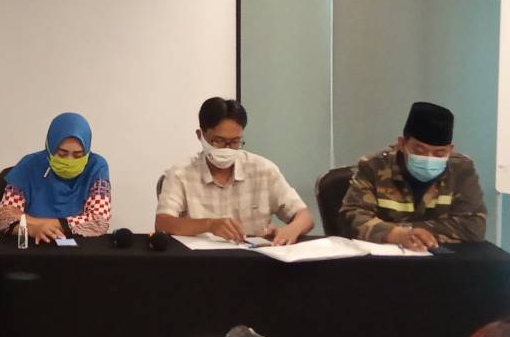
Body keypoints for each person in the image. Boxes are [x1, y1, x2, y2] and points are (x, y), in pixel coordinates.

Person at [155, 97, 313, 245]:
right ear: (200, 135)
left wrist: (290, 230)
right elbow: (163, 223)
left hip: (253, 260)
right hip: (200, 261)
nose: (227, 148)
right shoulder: (180, 173)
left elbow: (304, 216)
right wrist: (209, 225)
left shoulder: (263, 170)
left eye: (235, 142)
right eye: (218, 141)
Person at [340, 101, 486, 250]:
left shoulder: (461, 170)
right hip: (385, 257)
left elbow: (473, 225)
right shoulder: (373, 165)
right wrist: (396, 234)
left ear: (450, 149)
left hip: (440, 257)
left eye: (439, 153)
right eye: (419, 151)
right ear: (402, 144)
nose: (429, 158)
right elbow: (352, 217)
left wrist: (407, 232)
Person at [0, 112, 110, 243]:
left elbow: (99, 222)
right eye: (62, 154)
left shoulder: (96, 166)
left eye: (78, 155)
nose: (69, 160)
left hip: (80, 249)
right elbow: (3, 220)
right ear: (50, 148)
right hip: (33, 246)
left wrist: (32, 220)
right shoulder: (28, 166)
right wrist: (31, 229)